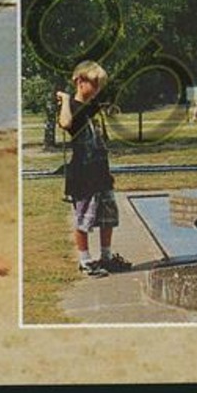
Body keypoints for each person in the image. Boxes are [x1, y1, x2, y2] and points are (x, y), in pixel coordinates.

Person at [56, 60, 130, 277]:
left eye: (100, 86)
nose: (97, 90)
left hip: (101, 173)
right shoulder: (73, 108)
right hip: (83, 174)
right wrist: (66, 100)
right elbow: (66, 123)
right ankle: (85, 260)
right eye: (94, 84)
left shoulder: (93, 108)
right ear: (80, 81)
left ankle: (106, 256)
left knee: (108, 216)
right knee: (84, 219)